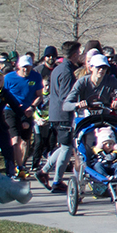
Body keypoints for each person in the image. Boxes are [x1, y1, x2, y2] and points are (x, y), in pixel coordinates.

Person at [38, 42, 84, 192]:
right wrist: (76, 104)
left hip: (57, 112)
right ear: (75, 54)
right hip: (63, 113)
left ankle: (44, 171)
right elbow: (66, 96)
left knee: (66, 145)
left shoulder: (60, 68)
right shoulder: (65, 71)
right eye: (79, 52)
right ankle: (57, 181)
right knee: (66, 147)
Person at [4, 56, 44, 175]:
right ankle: (19, 166)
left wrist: (32, 107)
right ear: (18, 66)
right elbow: (3, 94)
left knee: (25, 140)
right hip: (11, 110)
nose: (26, 70)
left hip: (27, 110)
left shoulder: (36, 77)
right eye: (23, 67)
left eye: (28, 67)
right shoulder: (9, 77)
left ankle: (21, 164)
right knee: (15, 139)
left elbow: (39, 95)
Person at [64, 54, 117, 119]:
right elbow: (66, 105)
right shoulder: (82, 82)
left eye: (104, 67)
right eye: (98, 67)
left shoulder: (112, 81)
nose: (101, 70)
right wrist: (77, 104)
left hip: (104, 119)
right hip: (84, 119)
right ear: (91, 68)